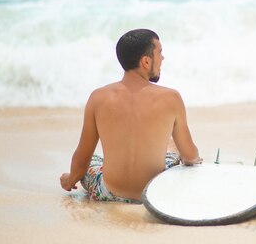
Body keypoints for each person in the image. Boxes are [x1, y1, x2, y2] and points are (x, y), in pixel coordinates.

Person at [59, 28, 202, 203]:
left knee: (93, 160)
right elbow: (189, 156)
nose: (163, 59)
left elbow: (82, 159)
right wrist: (194, 157)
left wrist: (70, 180)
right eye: (160, 53)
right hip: (152, 193)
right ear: (146, 61)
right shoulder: (171, 98)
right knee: (173, 148)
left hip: (108, 193)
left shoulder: (98, 97)